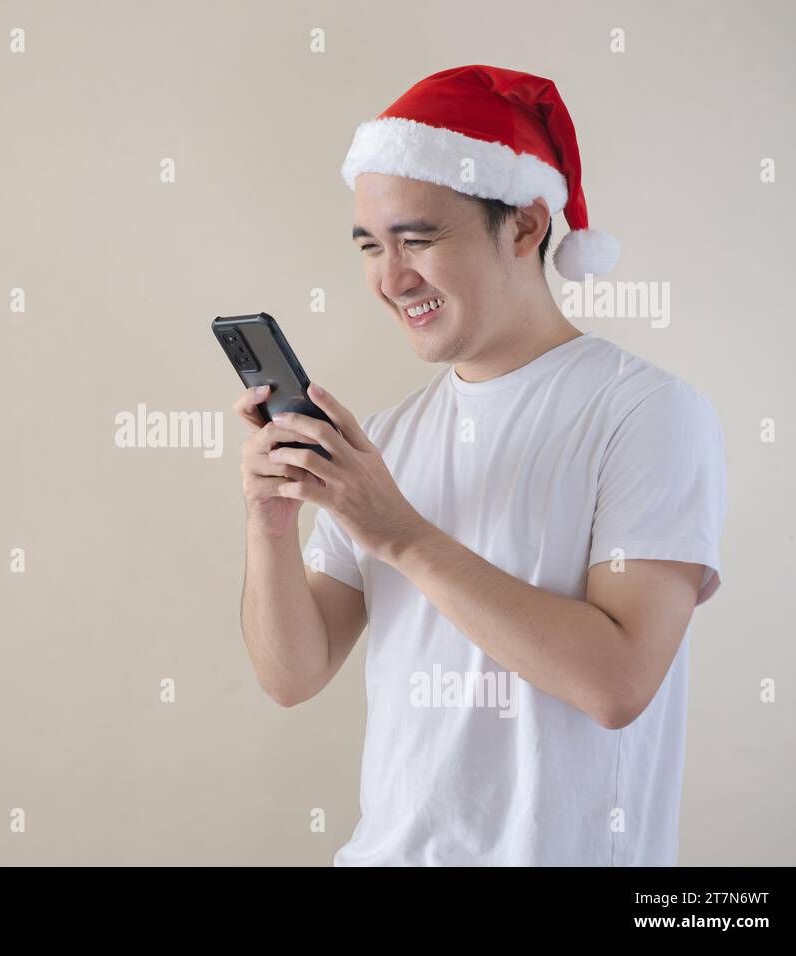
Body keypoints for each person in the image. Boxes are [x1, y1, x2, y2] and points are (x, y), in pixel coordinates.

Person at [234, 65, 728, 866]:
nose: (391, 279)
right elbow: (293, 674)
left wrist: (400, 535)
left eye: (419, 239)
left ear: (527, 225)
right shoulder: (389, 438)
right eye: (372, 246)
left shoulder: (647, 413)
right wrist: (271, 523)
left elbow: (618, 682)